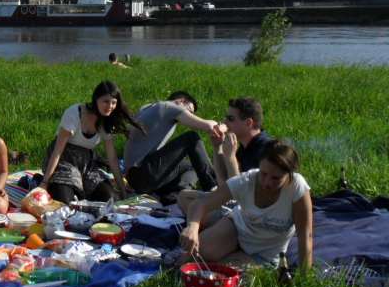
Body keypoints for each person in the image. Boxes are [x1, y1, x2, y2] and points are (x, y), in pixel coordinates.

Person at [179, 139, 313, 271]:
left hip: (263, 254)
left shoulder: (296, 187)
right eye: (264, 174)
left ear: (288, 174)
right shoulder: (247, 181)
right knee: (193, 255)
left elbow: (305, 235)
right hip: (236, 230)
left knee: (214, 273)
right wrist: (192, 227)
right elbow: (201, 204)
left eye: (276, 178)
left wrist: (304, 279)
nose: (267, 182)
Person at [42, 80, 141, 204]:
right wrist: (45, 182)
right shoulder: (74, 113)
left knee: (110, 199)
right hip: (63, 161)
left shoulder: (107, 120)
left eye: (114, 102)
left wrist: (123, 191)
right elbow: (57, 150)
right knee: (67, 202)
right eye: (106, 101)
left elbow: (112, 158)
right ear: (96, 99)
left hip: (85, 164)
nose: (110, 106)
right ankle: (40, 181)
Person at [122, 91, 223, 204]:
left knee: (192, 164)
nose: (189, 115)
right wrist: (225, 125)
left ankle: (174, 196)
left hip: (134, 177)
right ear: (181, 102)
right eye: (189, 111)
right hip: (142, 173)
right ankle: (213, 189)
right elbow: (210, 126)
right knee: (192, 138)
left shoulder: (147, 108)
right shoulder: (169, 107)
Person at [177, 95, 271, 214]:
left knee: (195, 208)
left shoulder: (266, 150)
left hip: (251, 212)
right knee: (184, 197)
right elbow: (224, 186)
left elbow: (237, 193)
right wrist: (217, 147)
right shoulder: (246, 147)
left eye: (231, 119)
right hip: (239, 203)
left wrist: (231, 157)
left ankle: (213, 224)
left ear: (248, 123)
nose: (224, 122)